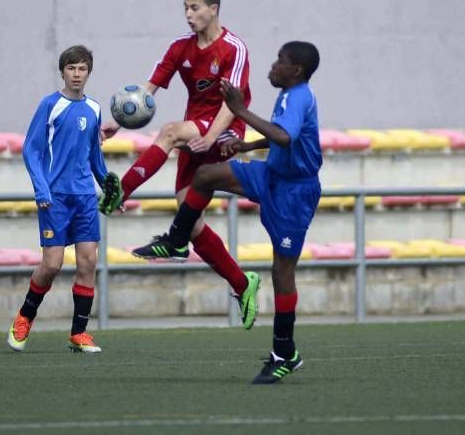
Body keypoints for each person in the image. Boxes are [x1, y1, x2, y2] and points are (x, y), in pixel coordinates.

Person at [132, 41, 322, 384]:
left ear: (296, 71)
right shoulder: (290, 94)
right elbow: (285, 137)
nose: (274, 65)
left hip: (294, 192)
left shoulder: (298, 96)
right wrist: (247, 145)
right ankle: (177, 241)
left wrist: (240, 111)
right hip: (271, 174)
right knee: (204, 176)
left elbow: (283, 135)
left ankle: (285, 353)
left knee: (282, 272)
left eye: (281, 61)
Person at [99, 0, 261, 329]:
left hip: (225, 130)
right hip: (197, 132)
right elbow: (146, 93)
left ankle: (119, 193)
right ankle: (243, 283)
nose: (188, 15)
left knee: (170, 131)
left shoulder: (234, 49)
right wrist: (117, 122)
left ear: (213, 9)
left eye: (195, 8)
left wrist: (212, 136)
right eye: (185, 8)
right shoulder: (180, 48)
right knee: (191, 221)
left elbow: (232, 105)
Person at [8, 45, 120, 354]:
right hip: (54, 197)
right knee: (52, 264)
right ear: (63, 72)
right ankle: (23, 318)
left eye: (82, 69)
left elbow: (94, 156)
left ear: (88, 73)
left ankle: (79, 333)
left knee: (89, 261)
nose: (76, 74)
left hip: (84, 197)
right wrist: (41, 189)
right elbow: (30, 149)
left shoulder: (95, 109)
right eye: (71, 68)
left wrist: (109, 187)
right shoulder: (50, 105)